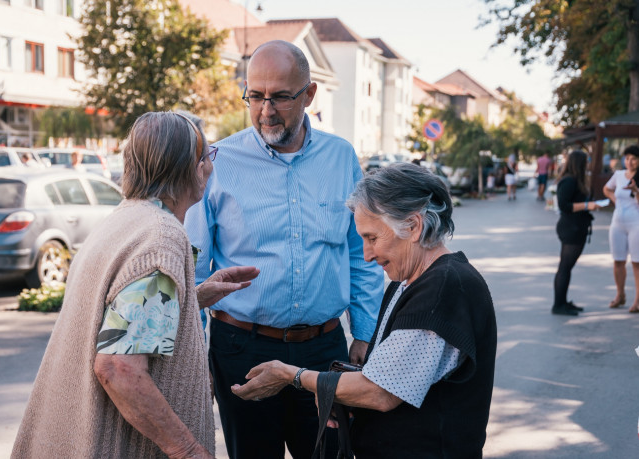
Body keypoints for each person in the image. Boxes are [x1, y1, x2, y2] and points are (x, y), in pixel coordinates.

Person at [11, 111, 259, 458]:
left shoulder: (126, 217)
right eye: (206, 157)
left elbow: (119, 319)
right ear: (186, 166)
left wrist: (192, 298)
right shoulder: (160, 238)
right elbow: (118, 367)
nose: (210, 168)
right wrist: (188, 450)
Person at [184, 40, 384, 459]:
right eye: (255, 97)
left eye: (280, 97)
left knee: (331, 454)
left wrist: (365, 332)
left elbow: (359, 252)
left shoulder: (340, 157)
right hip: (242, 349)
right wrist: (193, 349)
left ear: (309, 94)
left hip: (323, 351)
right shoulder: (217, 161)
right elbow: (195, 266)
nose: (266, 110)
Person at [231, 163, 497, 458]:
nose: (367, 255)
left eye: (372, 238)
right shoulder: (412, 280)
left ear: (413, 226)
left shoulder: (442, 287)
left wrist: (290, 375)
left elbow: (380, 392)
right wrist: (344, 394)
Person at [552, 150, 599, 316]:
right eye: (586, 161)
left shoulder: (575, 180)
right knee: (565, 267)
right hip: (571, 228)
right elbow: (564, 205)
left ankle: (563, 302)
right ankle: (558, 305)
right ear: (579, 163)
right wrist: (587, 206)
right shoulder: (569, 181)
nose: (588, 164)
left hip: (577, 227)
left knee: (567, 267)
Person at [603, 145, 639, 312]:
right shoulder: (618, 175)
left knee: (636, 262)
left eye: (633, 158)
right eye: (627, 158)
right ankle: (620, 295)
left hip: (636, 223)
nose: (629, 162)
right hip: (617, 222)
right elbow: (606, 189)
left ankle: (637, 300)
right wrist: (615, 200)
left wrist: (636, 191)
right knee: (618, 260)